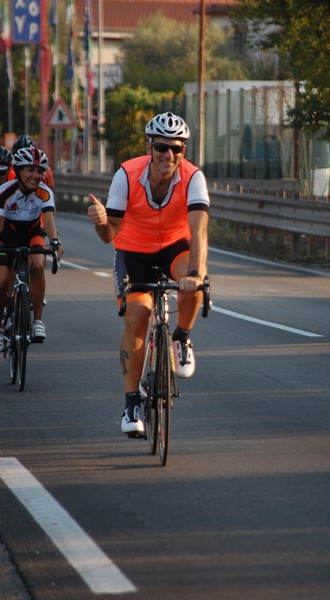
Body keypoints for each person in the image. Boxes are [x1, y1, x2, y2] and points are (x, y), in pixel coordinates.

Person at [88, 111, 209, 437]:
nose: (168, 155)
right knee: (138, 316)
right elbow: (110, 234)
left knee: (193, 284)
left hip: (174, 247)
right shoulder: (126, 174)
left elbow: (198, 233)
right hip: (133, 251)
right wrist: (101, 222)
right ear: (149, 147)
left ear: (183, 150)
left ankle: (181, 338)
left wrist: (195, 274)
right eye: (161, 148)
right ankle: (131, 404)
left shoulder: (193, 177)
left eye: (176, 148)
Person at [0, 146, 63, 349]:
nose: (35, 175)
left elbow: (49, 219)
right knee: (2, 279)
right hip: (7, 236)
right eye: (30, 170)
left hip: (32, 233)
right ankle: (1, 327)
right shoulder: (5, 191)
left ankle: (37, 321)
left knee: (38, 264)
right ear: (18, 170)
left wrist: (54, 241)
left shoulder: (44, 192)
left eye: (39, 171)